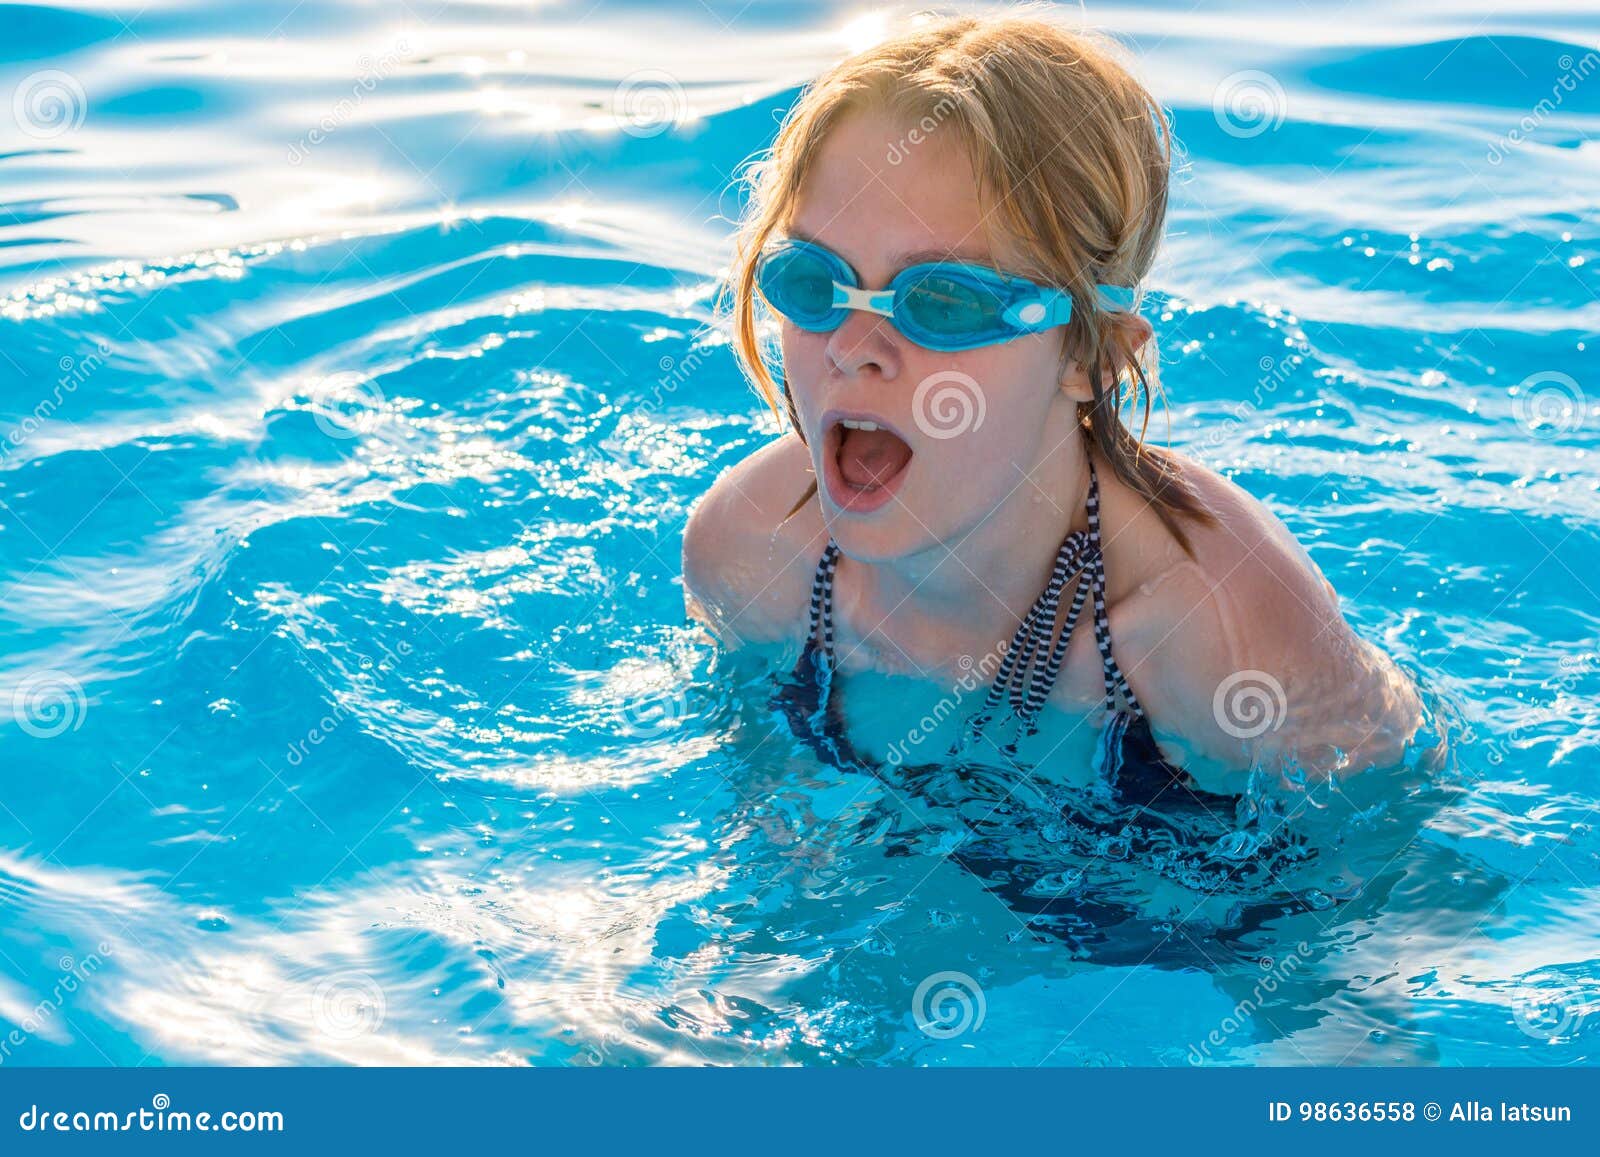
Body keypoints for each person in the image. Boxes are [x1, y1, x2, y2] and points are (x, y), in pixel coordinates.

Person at [683, 8, 1424, 791]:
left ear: (1092, 356)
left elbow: (1411, 883)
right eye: (814, 283)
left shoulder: (1216, 632)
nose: (850, 347)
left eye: (942, 301)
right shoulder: (749, 553)